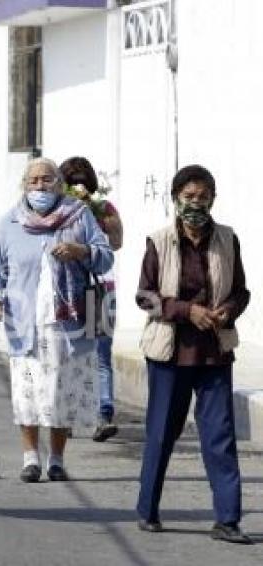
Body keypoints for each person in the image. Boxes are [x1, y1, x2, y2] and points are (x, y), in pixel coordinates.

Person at [135, 165, 252, 544]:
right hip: (170, 352)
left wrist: (226, 312)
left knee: (220, 436)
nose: (195, 204)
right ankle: (147, 509)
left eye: (202, 197)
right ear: (176, 199)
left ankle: (228, 519)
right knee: (161, 433)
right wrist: (188, 311)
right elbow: (146, 296)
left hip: (214, 352)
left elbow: (241, 291)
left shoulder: (227, 239)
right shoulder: (159, 240)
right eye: (189, 197)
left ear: (213, 200)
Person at [0, 157, 113, 482]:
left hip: (68, 322)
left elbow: (105, 255)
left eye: (47, 180)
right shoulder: (10, 222)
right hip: (24, 320)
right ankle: (30, 458)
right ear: (25, 185)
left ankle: (56, 458)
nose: (40, 186)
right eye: (34, 180)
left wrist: (82, 251)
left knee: (60, 391)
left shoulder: (79, 216)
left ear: (59, 184)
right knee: (27, 392)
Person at [59, 156, 123, 442]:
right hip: (67, 288)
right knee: (71, 352)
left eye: (81, 182)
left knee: (100, 352)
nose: (77, 187)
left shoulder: (103, 208)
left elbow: (117, 242)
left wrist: (96, 219)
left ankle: (103, 412)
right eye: (72, 182)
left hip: (99, 288)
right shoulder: (55, 210)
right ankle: (72, 412)